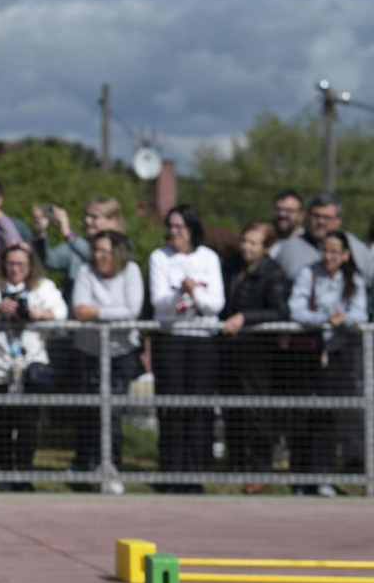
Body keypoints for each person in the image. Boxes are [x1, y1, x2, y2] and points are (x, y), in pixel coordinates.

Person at [0, 242, 64, 486]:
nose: (15, 269)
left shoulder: (43, 287)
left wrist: (35, 313)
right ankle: (3, 474)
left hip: (31, 369)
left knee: (27, 426)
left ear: (30, 266)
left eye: (21, 264)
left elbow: (61, 312)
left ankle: (24, 475)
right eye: (11, 263)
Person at [149, 203, 225, 490]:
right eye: (170, 226)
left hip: (202, 341)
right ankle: (170, 472)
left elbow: (215, 304)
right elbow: (159, 302)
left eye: (179, 226)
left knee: (198, 408)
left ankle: (194, 474)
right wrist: (178, 295)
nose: (174, 232)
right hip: (171, 339)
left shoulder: (209, 257)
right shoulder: (159, 257)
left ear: (192, 229)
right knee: (171, 407)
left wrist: (195, 293)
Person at [287, 230, 368, 495]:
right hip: (308, 354)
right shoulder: (307, 273)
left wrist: (343, 319)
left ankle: (324, 477)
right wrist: (323, 319)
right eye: (325, 250)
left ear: (345, 255)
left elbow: (360, 312)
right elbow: (295, 309)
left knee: (331, 416)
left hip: (338, 354)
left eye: (335, 252)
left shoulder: (353, 279)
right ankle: (301, 479)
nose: (328, 256)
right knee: (303, 416)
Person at [68, 230, 146, 486]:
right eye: (96, 250)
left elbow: (131, 311)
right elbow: (80, 309)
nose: (99, 256)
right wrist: (109, 314)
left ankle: (111, 471)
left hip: (120, 355)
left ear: (118, 253)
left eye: (105, 251)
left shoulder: (131, 271)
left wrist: (98, 312)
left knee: (112, 415)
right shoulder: (85, 271)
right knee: (87, 413)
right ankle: (85, 470)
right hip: (88, 353)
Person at [218, 221, 291, 492]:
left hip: (258, 355)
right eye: (244, 241)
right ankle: (235, 465)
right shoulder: (230, 266)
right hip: (230, 350)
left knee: (258, 413)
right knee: (232, 409)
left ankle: (260, 469)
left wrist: (245, 317)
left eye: (253, 243)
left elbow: (280, 311)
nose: (246, 247)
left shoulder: (272, 272)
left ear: (266, 247)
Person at [31, 196, 125, 300]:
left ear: (112, 221)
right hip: (74, 309)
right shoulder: (78, 244)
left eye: (94, 217)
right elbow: (48, 260)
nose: (87, 220)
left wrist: (68, 234)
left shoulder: (122, 245)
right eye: (87, 215)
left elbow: (97, 258)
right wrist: (41, 233)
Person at [272, 191, 374, 282]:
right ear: (307, 216)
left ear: (338, 220)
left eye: (327, 217)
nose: (320, 222)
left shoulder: (355, 248)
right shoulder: (288, 249)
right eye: (316, 216)